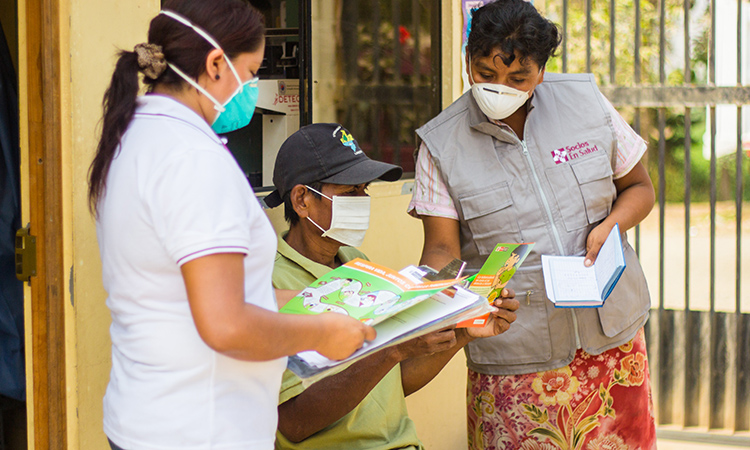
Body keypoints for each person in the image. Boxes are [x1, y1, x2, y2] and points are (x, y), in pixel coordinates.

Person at [88, 3, 375, 449]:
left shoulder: (137, 136)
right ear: (216, 64)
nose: (254, 87)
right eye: (253, 71)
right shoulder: (194, 159)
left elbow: (189, 294)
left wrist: (312, 301)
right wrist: (325, 333)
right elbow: (226, 325)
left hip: (148, 418)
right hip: (202, 430)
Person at [408, 1, 657, 449]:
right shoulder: (440, 144)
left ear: (540, 72)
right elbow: (441, 250)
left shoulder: (585, 103)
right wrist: (441, 288)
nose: (499, 88)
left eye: (517, 77)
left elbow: (640, 188)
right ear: (467, 61)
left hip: (613, 346)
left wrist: (614, 226)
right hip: (514, 360)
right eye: (485, 73)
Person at [264, 123, 520, 450]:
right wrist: (392, 350)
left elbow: (391, 384)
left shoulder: (356, 263)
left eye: (364, 189)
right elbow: (292, 423)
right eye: (349, 192)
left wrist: (465, 330)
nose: (362, 200)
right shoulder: (271, 284)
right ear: (302, 200)